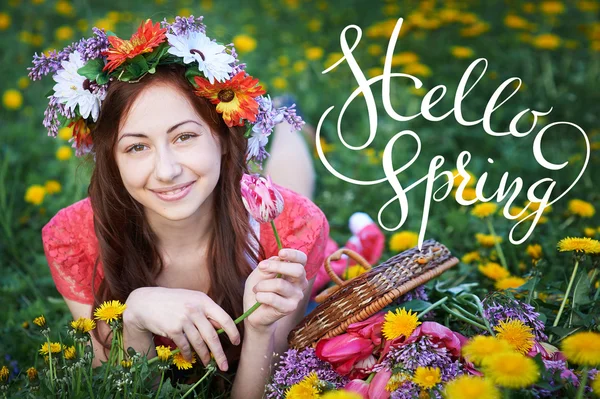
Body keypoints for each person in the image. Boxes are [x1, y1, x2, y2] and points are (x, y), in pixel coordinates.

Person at [34, 16, 328, 398]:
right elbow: (121, 389)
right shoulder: (75, 238)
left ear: (223, 138)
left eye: (185, 136)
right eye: (137, 146)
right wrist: (134, 318)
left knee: (281, 191)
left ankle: (287, 126)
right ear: (112, 160)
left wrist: (259, 329)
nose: (167, 171)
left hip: (252, 211)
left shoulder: (292, 229)